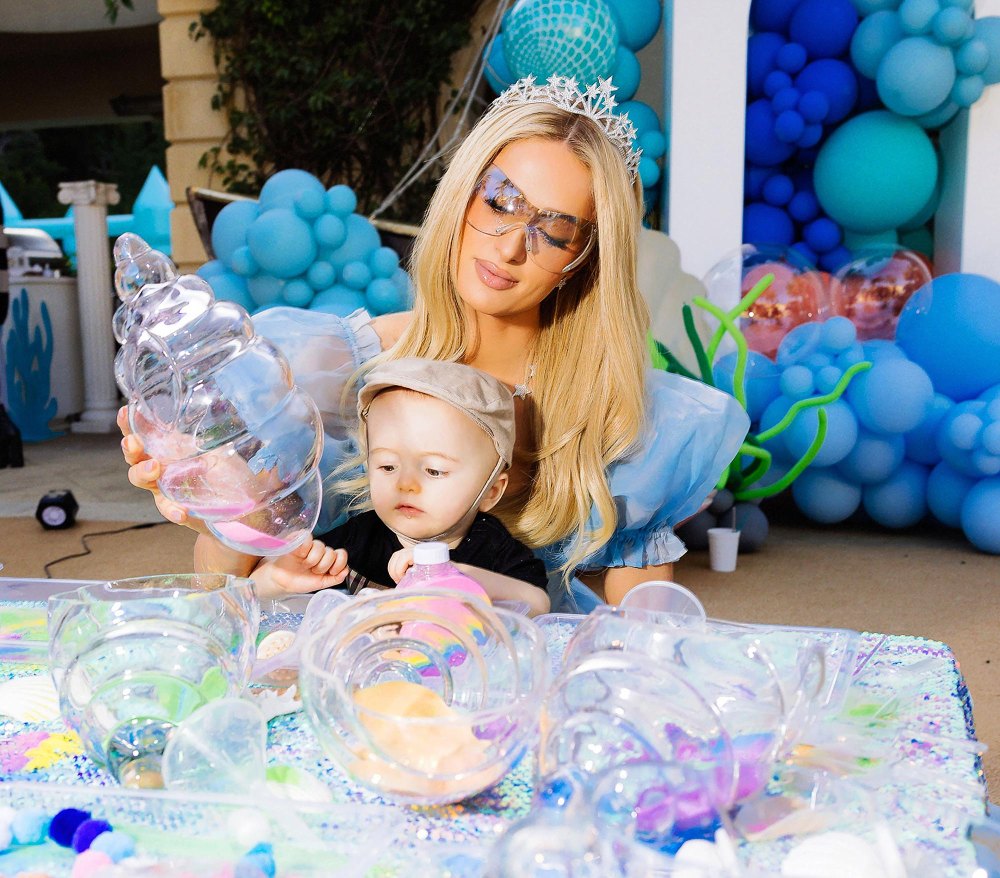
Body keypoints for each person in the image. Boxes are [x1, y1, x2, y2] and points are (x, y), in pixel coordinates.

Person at [122, 74, 749, 611]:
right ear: (463, 194)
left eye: (554, 232)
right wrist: (216, 492)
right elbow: (222, 586)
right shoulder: (326, 366)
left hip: (513, 677)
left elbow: (647, 630)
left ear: (585, 259)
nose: (508, 247)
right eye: (501, 201)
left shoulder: (620, 412)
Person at [298, 357, 549, 612]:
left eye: (434, 470)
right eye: (387, 466)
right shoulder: (357, 539)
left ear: (491, 492)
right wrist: (277, 579)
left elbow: (539, 603)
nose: (406, 484)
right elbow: (272, 590)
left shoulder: (492, 549)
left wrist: (456, 576)